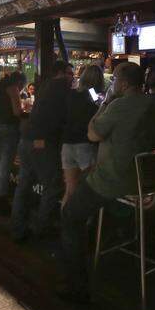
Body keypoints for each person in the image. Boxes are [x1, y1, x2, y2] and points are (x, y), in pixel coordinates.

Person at [59, 61, 155, 303]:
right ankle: (109, 236)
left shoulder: (117, 105)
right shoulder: (153, 103)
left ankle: (77, 285)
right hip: (144, 180)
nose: (111, 83)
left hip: (115, 180)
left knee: (69, 214)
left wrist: (105, 102)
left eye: (114, 79)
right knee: (85, 177)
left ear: (124, 83)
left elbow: (92, 133)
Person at [11, 60, 73, 242]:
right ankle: (41, 229)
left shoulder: (46, 85)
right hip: (42, 143)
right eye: (70, 73)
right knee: (53, 186)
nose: (72, 77)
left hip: (27, 140)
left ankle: (18, 229)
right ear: (61, 73)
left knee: (23, 185)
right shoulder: (63, 86)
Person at [61, 65, 103, 206]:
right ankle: (84, 226)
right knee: (86, 192)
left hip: (67, 145)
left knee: (69, 190)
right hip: (84, 145)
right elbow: (101, 116)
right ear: (99, 80)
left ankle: (66, 223)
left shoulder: (71, 94)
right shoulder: (93, 94)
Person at [0, 72, 23, 216]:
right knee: (5, 166)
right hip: (7, 128)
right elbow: (17, 112)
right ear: (19, 82)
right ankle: (3, 200)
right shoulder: (13, 88)